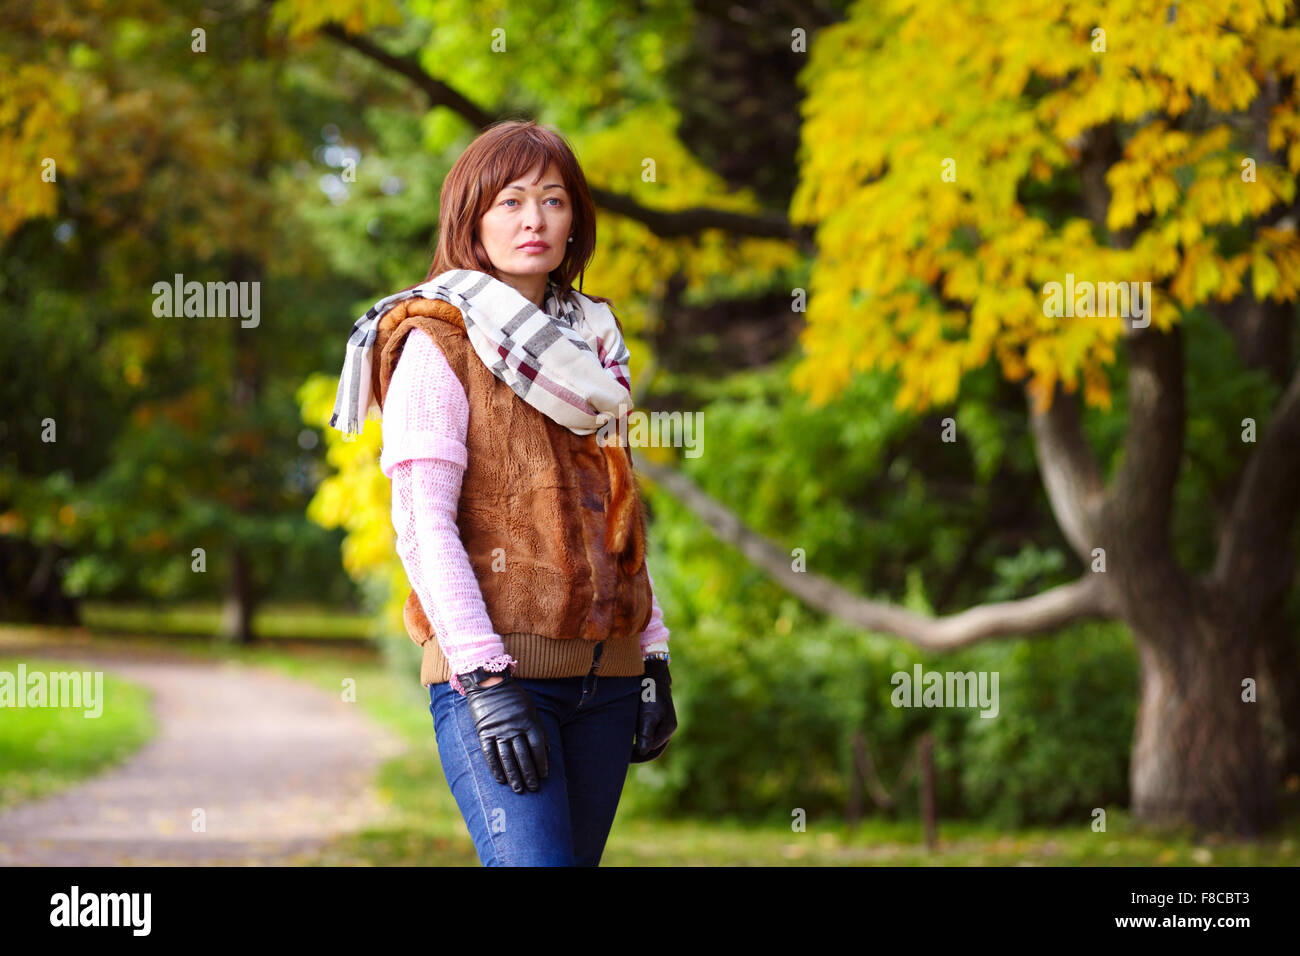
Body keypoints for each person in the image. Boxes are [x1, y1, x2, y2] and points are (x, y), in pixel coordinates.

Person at [328, 119, 678, 866]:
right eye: (512, 201)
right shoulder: (435, 342)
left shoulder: (593, 345)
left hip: (607, 683)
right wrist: (486, 682)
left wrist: (651, 657)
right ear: (472, 219)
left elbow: (619, 516)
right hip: (494, 681)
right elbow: (424, 527)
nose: (534, 220)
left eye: (553, 201)